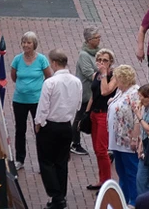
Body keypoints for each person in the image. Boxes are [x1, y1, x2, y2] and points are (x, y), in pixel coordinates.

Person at [35, 50, 83, 209]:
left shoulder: (50, 83)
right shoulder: (76, 82)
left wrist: (38, 123)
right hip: (66, 126)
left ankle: (56, 196)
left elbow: (43, 106)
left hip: (50, 125)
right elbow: (78, 104)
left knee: (46, 161)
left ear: (54, 63)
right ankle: (60, 195)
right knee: (62, 162)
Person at [10, 32, 53, 169]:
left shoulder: (41, 59)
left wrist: (37, 90)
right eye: (24, 42)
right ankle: (19, 159)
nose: (26, 45)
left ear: (34, 44)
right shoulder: (17, 59)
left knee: (40, 130)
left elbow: (48, 77)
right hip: (19, 100)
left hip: (36, 101)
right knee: (20, 130)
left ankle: (43, 162)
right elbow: (13, 77)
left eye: (29, 42)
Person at [108, 64, 142, 203]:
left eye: (117, 78)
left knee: (131, 172)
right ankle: (123, 200)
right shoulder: (121, 91)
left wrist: (134, 138)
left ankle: (134, 201)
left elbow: (137, 117)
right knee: (121, 172)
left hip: (127, 141)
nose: (115, 81)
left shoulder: (135, 93)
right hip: (117, 140)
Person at [87, 47, 118, 189]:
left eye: (105, 60)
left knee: (102, 150)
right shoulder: (95, 75)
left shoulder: (114, 76)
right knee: (96, 149)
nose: (101, 63)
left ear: (110, 62)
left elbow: (105, 91)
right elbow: (93, 95)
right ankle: (101, 180)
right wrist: (86, 113)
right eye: (99, 60)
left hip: (105, 115)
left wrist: (105, 74)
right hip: (94, 114)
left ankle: (106, 182)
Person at [75, 27, 103, 157]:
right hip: (86, 93)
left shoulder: (98, 52)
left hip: (95, 93)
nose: (98, 39)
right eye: (96, 37)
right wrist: (104, 77)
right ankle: (74, 143)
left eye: (99, 37)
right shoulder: (84, 55)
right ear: (88, 40)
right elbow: (88, 73)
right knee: (80, 117)